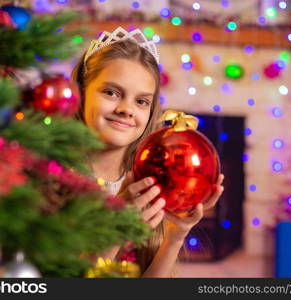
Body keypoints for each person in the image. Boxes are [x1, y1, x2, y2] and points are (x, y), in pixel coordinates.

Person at [71, 27, 224, 277]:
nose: (126, 109)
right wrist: (115, 232)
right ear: (81, 93)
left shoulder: (149, 182)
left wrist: (174, 238)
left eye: (141, 101)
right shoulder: (55, 178)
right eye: (111, 92)